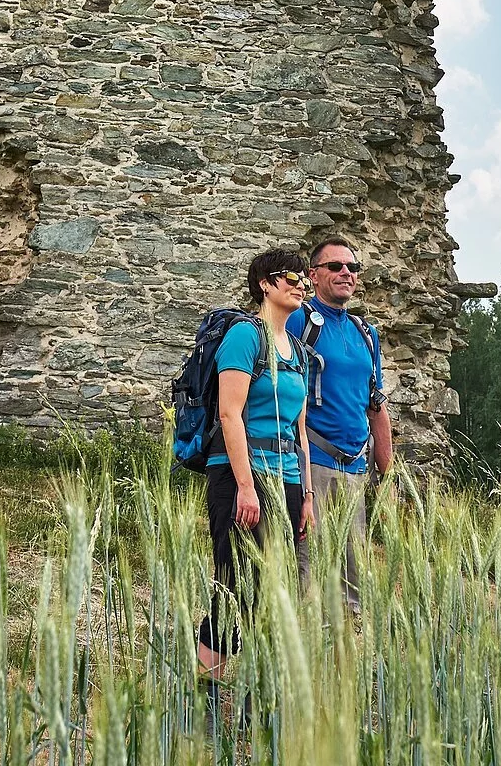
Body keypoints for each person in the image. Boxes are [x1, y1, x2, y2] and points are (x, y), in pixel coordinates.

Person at [195, 247, 314, 680]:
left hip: (287, 478)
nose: (300, 284)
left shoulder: (298, 351)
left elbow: (299, 430)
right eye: (290, 276)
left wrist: (307, 495)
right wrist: (246, 486)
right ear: (264, 283)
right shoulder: (246, 336)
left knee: (274, 590)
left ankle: (259, 696)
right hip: (239, 474)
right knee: (233, 588)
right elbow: (230, 413)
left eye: (304, 276)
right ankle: (205, 690)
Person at [287, 236, 390, 612]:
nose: (346, 272)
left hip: (356, 468)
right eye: (335, 266)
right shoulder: (299, 319)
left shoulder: (366, 333)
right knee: (309, 572)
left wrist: (387, 475)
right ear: (314, 275)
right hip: (312, 462)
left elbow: (376, 404)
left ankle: (344, 661)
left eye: (352, 267)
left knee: (353, 582)